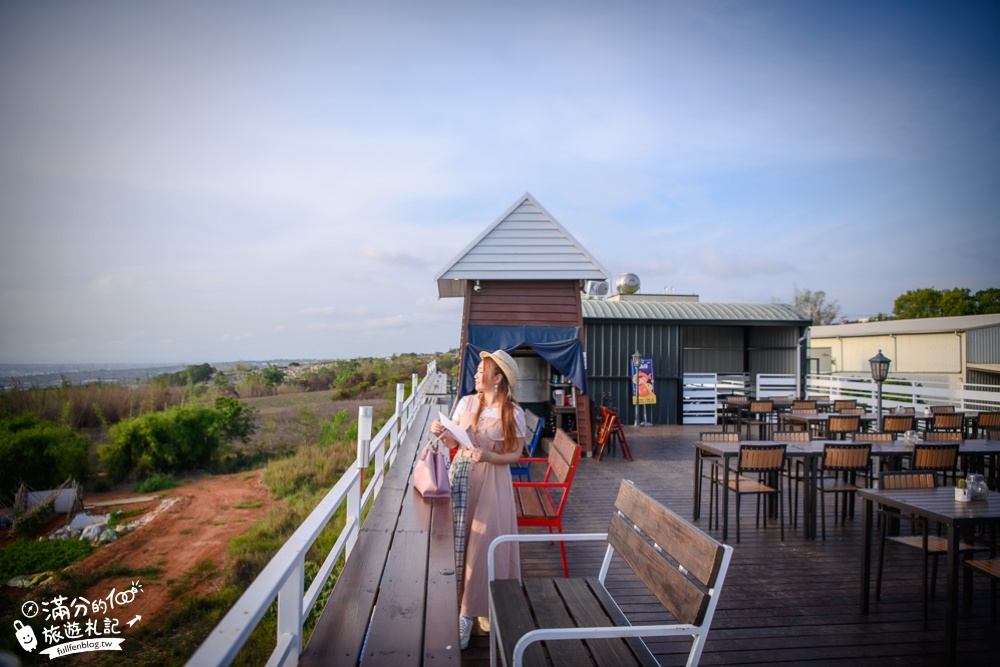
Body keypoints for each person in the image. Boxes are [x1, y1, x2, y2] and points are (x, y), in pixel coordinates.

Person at [430, 349, 525, 650]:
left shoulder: (513, 412)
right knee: (462, 543)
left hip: (493, 482)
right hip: (462, 478)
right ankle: (466, 610)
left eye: (481, 370)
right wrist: (441, 431)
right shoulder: (467, 402)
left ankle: (475, 608)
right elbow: (452, 442)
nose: (475, 374)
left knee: (485, 543)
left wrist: (490, 456)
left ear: (497, 378)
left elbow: (516, 454)